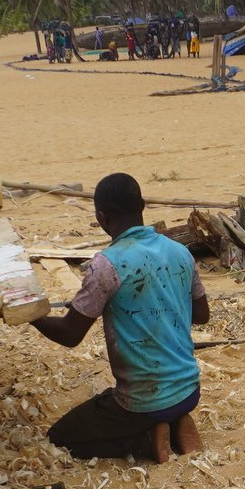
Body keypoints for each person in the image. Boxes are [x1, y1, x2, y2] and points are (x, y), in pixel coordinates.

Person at [32, 173, 207, 462]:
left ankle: (150, 441)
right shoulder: (180, 252)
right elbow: (202, 315)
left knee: (60, 439)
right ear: (142, 206)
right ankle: (177, 420)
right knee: (156, 402)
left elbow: (69, 335)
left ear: (101, 217)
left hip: (142, 401)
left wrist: (30, 314)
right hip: (189, 389)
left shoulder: (106, 265)